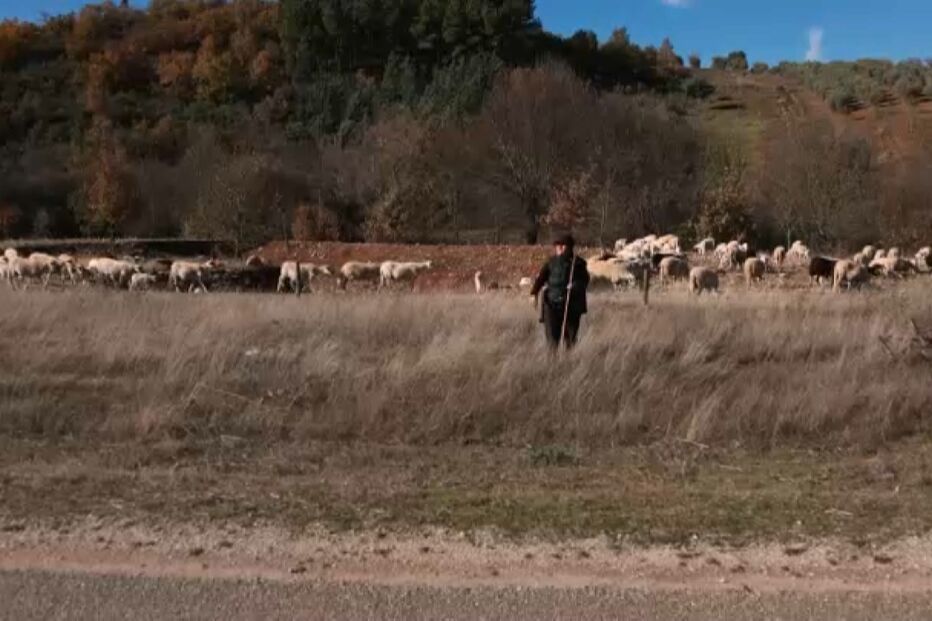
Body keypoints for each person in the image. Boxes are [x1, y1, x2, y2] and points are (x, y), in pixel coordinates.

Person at [529, 233, 590, 349]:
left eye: (563, 245)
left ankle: (569, 361)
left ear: (570, 248)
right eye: (557, 245)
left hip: (571, 304)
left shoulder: (578, 264)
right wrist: (533, 293)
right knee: (552, 338)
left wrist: (575, 286)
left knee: (570, 339)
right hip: (551, 303)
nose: (559, 248)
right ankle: (553, 363)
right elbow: (541, 278)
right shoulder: (550, 262)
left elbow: (585, 280)